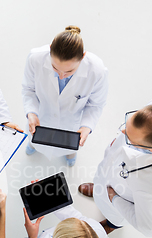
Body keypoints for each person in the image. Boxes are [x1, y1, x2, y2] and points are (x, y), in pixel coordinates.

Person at [78, 95, 152, 237]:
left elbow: (150, 228)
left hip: (119, 197)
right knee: (101, 182)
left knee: (113, 215)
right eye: (127, 124)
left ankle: (111, 225)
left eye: (129, 137)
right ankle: (99, 190)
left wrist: (113, 198)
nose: (122, 132)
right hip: (108, 174)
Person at [22, 25, 108, 166]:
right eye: (55, 68)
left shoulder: (97, 70)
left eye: (69, 71)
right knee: (35, 140)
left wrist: (86, 126)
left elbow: (95, 104)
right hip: (41, 116)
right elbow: (28, 89)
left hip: (71, 124)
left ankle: (70, 153)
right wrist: (31, 112)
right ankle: (33, 145)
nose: (61, 76)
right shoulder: (35, 58)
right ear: (50, 49)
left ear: (83, 57)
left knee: (69, 146)